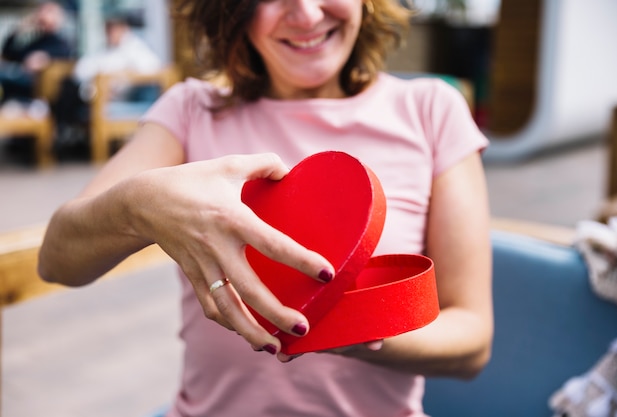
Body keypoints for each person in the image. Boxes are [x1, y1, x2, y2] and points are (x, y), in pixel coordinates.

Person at [38, 0, 493, 416]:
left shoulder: (431, 111)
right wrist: (137, 206)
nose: (308, 14)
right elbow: (57, 261)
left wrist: (349, 332)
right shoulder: (191, 111)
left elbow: (472, 342)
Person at [52, 11, 162, 151]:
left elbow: (152, 68)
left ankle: (61, 133)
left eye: (113, 29)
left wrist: (118, 81)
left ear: (124, 29)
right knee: (67, 86)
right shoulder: (106, 49)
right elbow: (82, 68)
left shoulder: (135, 48)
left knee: (68, 94)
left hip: (116, 96)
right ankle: (62, 131)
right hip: (94, 92)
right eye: (108, 29)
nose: (110, 33)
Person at [0, 1, 72, 103]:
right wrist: (18, 30)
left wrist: (43, 59)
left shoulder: (61, 43)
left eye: (47, 11)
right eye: (41, 11)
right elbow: (9, 53)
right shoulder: (37, 41)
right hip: (18, 80)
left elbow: (55, 59)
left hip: (34, 89)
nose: (41, 15)